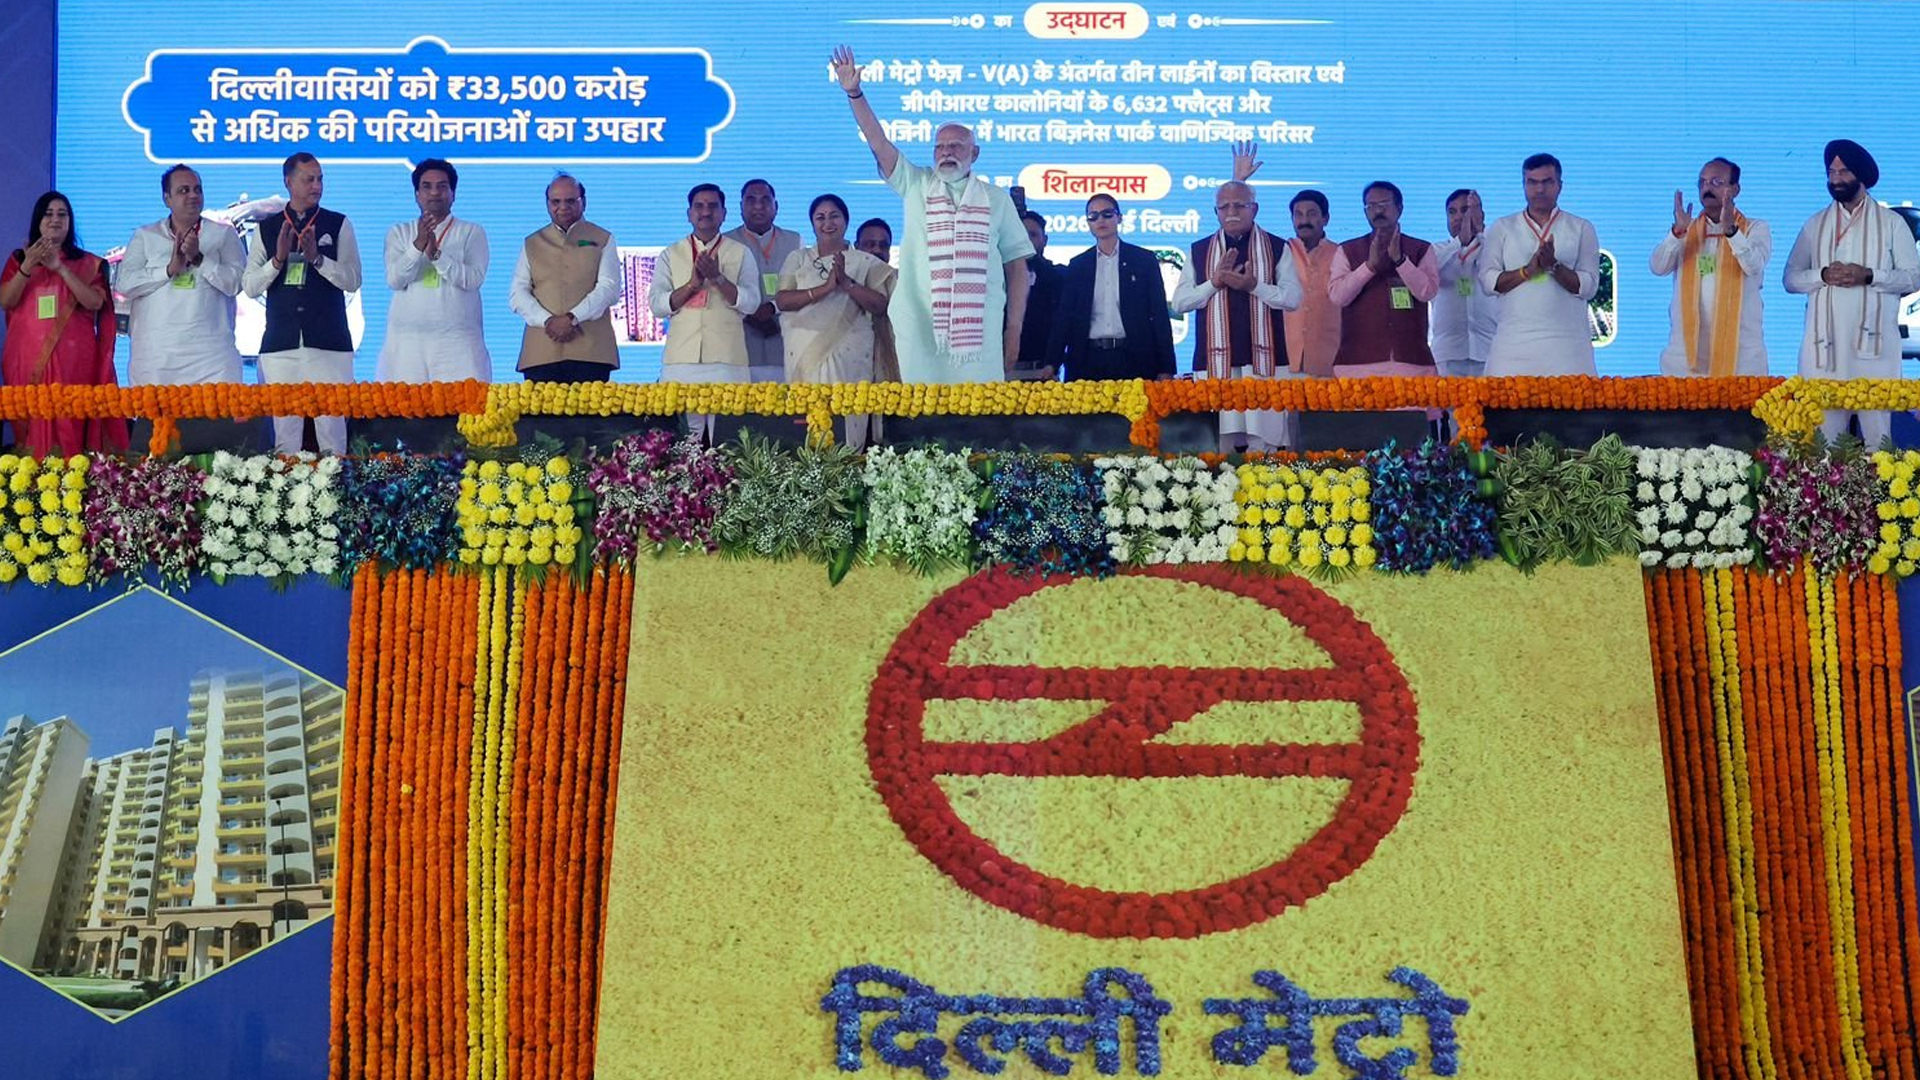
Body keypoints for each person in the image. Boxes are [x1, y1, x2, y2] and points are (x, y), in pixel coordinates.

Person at [832, 45, 1033, 382]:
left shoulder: (996, 199)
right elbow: (879, 143)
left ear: (975, 153)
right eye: (939, 146)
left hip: (978, 336)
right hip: (920, 328)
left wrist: (1013, 330)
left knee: (977, 420)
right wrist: (854, 93)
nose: (946, 153)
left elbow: (1017, 267)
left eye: (955, 146)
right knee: (920, 423)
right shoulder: (917, 184)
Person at [1784, 139, 1920, 445]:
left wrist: (1869, 275)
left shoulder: (1891, 224)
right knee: (1823, 450)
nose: (1835, 179)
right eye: (1831, 172)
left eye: (1843, 172)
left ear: (1861, 176)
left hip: (1875, 354)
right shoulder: (1815, 224)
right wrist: (1822, 275)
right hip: (1823, 355)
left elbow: (1914, 278)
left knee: (1878, 445)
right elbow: (1790, 279)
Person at [241, 152, 363, 454]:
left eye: (320, 179)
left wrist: (318, 259)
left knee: (333, 434)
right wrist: (278, 259)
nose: (317, 186)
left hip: (329, 344)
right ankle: (288, 499)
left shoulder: (338, 224)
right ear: (288, 182)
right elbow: (250, 286)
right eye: (309, 179)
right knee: (286, 437)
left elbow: (353, 280)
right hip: (281, 344)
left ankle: (335, 496)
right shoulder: (267, 228)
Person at [1171, 180, 1303, 453]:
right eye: (1224, 206)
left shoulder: (1278, 247)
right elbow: (1181, 303)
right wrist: (1214, 283)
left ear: (1254, 209)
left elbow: (1293, 299)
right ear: (1216, 212)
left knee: (1264, 447)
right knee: (1220, 448)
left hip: (1267, 364)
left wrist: (1254, 286)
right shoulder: (1199, 250)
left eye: (1239, 205)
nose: (1231, 212)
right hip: (1215, 365)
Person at [0, 191, 127, 455]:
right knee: (30, 433)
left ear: (70, 222)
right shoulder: (19, 260)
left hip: (74, 364)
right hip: (26, 361)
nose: (55, 219)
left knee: (71, 431)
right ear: (38, 220)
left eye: (62, 214)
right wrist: (30, 265)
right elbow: (7, 301)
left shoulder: (87, 263)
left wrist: (59, 268)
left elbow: (94, 303)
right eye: (48, 214)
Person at [775, 194, 896, 448]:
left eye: (834, 216)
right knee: (806, 427)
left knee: (847, 423)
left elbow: (881, 305)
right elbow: (784, 300)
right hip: (804, 355)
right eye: (820, 217)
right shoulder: (798, 259)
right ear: (812, 223)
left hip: (849, 358)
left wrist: (848, 284)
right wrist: (826, 288)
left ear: (846, 221)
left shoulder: (865, 263)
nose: (827, 223)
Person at [648, 183, 760, 442]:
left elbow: (751, 303)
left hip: (727, 360)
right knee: (686, 444)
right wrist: (692, 285)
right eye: (699, 206)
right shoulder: (670, 253)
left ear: (724, 213)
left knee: (729, 442)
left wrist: (718, 278)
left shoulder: (740, 253)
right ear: (689, 214)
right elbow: (657, 304)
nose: (706, 212)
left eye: (713, 206)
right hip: (681, 361)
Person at [117, 164, 244, 386]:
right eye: (184, 190)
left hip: (212, 360)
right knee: (156, 420)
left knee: (216, 420)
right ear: (167, 198)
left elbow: (236, 283)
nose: (193, 195)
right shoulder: (146, 236)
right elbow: (125, 284)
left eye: (198, 189)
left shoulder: (223, 234)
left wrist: (198, 259)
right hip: (156, 360)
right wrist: (168, 270)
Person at [1478, 153, 1600, 376]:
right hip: (1511, 350)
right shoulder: (1502, 227)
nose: (1539, 189)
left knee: (1573, 411)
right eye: (1532, 183)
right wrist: (1527, 271)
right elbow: (1488, 282)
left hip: (1569, 352)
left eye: (1547, 182)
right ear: (1523, 185)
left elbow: (1588, 287)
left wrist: (1553, 266)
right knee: (1500, 410)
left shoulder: (1581, 227)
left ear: (1560, 185)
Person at [1653, 158, 1768, 378]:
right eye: (1702, 183)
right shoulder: (1686, 230)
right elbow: (1658, 267)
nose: (1707, 188)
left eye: (1716, 182)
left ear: (1735, 189)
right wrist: (1676, 233)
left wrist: (1732, 231)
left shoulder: (1755, 228)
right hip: (1685, 364)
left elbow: (1753, 266)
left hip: (1741, 363)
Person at [378, 158, 490, 382]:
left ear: (453, 193)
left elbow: (473, 279)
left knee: (462, 412)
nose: (434, 193)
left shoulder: (471, 232)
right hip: (406, 343)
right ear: (417, 194)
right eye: (426, 186)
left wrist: (436, 255)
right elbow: (395, 280)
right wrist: (417, 246)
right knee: (404, 411)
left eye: (442, 186)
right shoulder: (399, 232)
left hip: (458, 343)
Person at [1047, 192, 1175, 382]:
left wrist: (1166, 367)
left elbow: (1159, 315)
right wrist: (1052, 363)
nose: (1100, 220)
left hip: (1134, 358)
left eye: (1107, 214)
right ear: (1088, 222)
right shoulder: (1078, 265)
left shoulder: (1143, 260)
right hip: (1087, 360)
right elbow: (1064, 318)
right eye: (1093, 216)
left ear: (1119, 218)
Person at [508, 174, 620, 383]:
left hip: (591, 351)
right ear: (547, 204)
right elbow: (517, 293)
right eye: (555, 202)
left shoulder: (603, 238)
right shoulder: (531, 241)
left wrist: (571, 319)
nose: (563, 207)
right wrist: (548, 321)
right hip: (540, 352)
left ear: (583, 202)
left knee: (590, 415)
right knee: (540, 416)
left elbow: (609, 289)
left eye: (570, 201)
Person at [1328, 181, 1440, 374]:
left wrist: (1401, 261)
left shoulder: (1421, 248)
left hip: (1412, 364)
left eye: (1383, 205)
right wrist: (1369, 267)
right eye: (1370, 206)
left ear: (1399, 208)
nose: (1377, 211)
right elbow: (1338, 296)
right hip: (1357, 365)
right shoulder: (1347, 250)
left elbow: (1427, 292)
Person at [725, 178, 804, 383]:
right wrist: (751, 314)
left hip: (784, 346)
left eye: (765, 200)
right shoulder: (725, 243)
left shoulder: (795, 241)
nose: (758, 206)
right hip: (740, 350)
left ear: (776, 207)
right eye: (751, 200)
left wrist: (772, 308)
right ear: (741, 207)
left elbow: (803, 288)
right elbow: (719, 292)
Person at [1431, 189, 1497, 377]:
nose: (1459, 217)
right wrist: (1460, 242)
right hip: (1447, 353)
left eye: (1466, 210)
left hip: (1489, 351)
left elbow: (1497, 269)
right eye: (1452, 212)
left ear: (1480, 215)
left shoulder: (1493, 248)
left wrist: (1479, 234)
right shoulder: (1436, 250)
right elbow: (1431, 272)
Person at [1012, 210, 1065, 380]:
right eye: (1019, 235)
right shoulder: (996, 278)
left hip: (1044, 373)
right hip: (1003, 374)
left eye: (1032, 235)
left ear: (1045, 240)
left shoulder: (1057, 277)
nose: (1025, 241)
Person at [855, 217, 902, 385]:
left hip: (891, 375)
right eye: (870, 244)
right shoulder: (842, 279)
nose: (877, 250)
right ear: (856, 247)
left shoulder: (900, 280)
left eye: (884, 246)